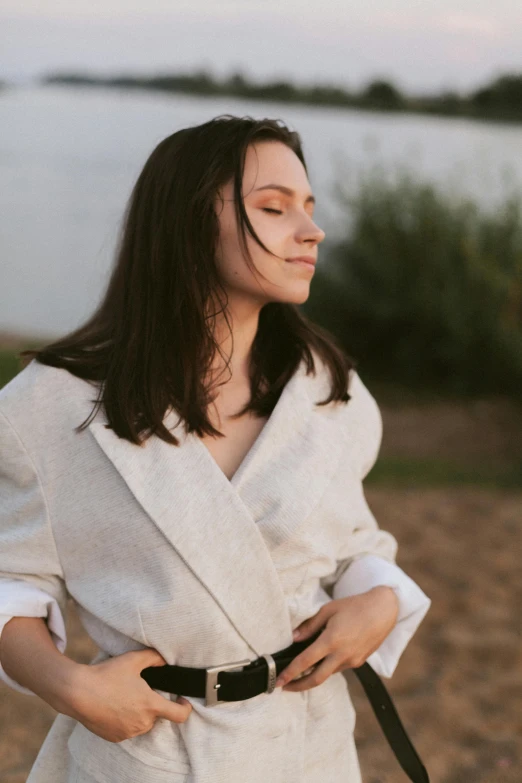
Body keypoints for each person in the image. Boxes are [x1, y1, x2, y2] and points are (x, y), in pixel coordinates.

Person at [0, 115, 431, 783]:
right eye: (274, 207)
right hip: (144, 757)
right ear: (190, 223)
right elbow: (11, 585)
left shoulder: (328, 390)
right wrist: (73, 687)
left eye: (310, 208)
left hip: (309, 750)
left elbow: (351, 543)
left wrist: (380, 604)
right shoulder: (53, 406)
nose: (311, 230)